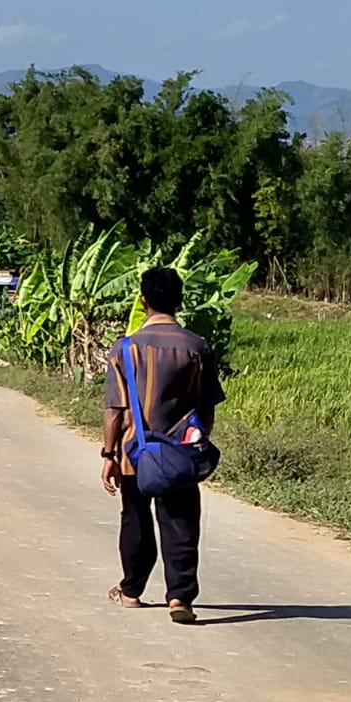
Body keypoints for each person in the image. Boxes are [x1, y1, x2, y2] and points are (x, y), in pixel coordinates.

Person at [101, 267, 225, 625]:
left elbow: (115, 410)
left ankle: (131, 591)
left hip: (133, 454)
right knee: (181, 521)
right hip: (181, 452)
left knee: (135, 520)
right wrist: (199, 444)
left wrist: (109, 455)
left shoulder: (125, 349)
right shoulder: (196, 347)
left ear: (143, 301)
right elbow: (207, 406)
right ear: (180, 301)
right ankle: (179, 597)